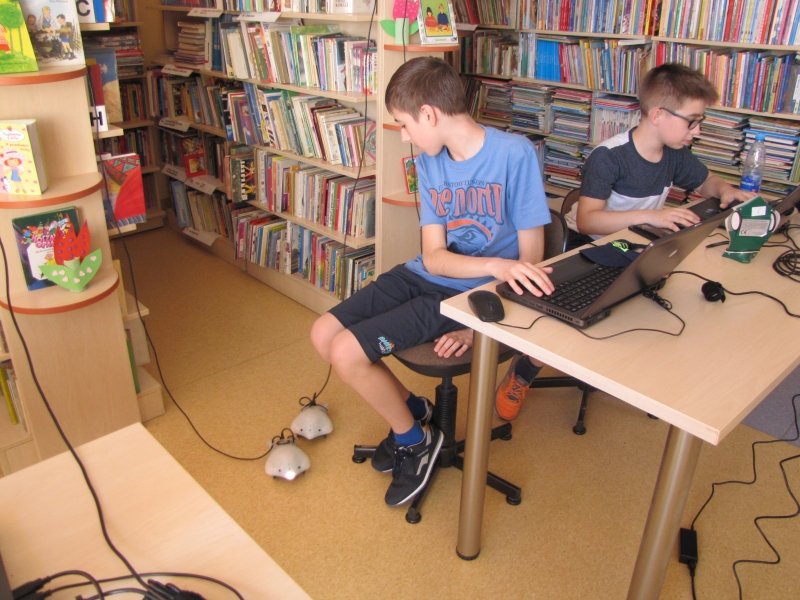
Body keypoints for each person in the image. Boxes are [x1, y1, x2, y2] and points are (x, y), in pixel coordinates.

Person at [310, 57, 553, 508]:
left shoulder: (515, 154)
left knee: (347, 352)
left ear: (428, 114)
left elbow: (530, 263)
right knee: (323, 333)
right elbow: (436, 257)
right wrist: (496, 266)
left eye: (404, 124)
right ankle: (415, 410)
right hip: (427, 274)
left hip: (468, 295)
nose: (403, 135)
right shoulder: (428, 163)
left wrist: (476, 326)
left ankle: (414, 441)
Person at [494, 62, 756, 423]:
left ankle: (632, 369)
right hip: (586, 246)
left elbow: (706, 181)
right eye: (692, 121)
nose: (696, 131)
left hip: (631, 245)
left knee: (660, 304)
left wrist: (725, 190)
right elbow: (589, 219)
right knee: (574, 313)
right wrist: (651, 217)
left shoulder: (674, 154)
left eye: (700, 122)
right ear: (659, 115)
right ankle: (524, 369)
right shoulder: (610, 157)